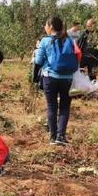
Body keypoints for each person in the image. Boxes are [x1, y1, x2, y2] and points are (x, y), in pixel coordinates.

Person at [34, 16, 79, 145]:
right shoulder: (70, 39)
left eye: (46, 25)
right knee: (65, 107)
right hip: (68, 79)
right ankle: (61, 136)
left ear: (51, 26)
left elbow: (38, 61)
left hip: (50, 77)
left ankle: (53, 137)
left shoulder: (45, 41)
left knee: (52, 107)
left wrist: (38, 49)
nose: (45, 27)